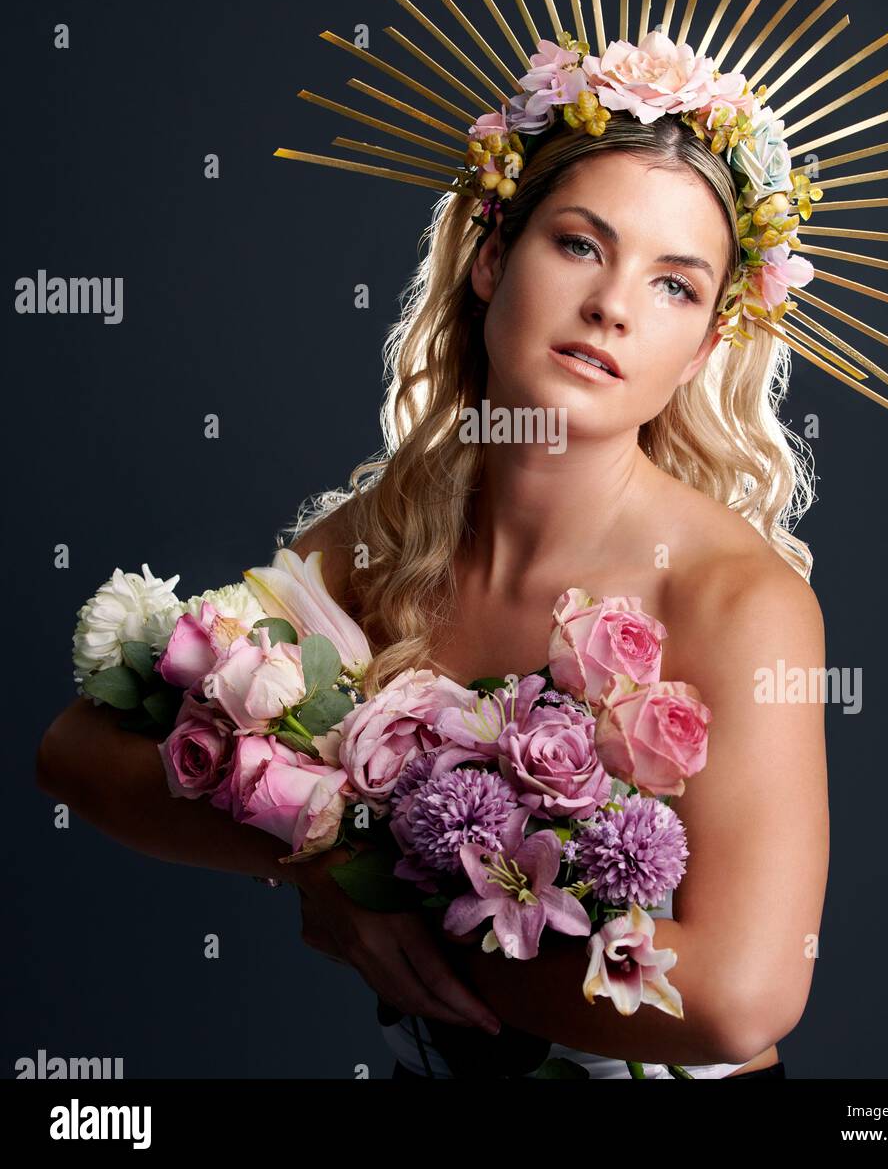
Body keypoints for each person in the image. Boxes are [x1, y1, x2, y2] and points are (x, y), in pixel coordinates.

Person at [37, 112, 829, 1079]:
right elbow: (76, 750)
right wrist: (319, 864)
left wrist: (390, 915)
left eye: (674, 285)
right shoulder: (390, 535)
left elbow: (740, 1000)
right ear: (493, 259)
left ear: (702, 350)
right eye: (580, 244)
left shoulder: (735, 597)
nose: (612, 306)